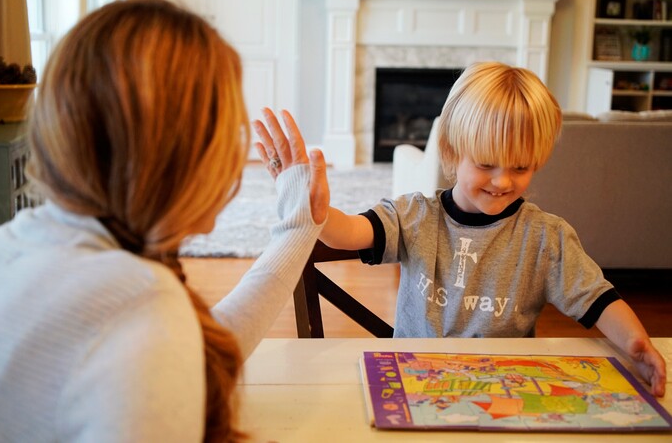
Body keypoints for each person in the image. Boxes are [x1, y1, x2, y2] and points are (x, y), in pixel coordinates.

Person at [0, 0, 328, 442]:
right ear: (179, 154)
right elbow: (161, 340)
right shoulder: (139, 303)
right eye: (226, 134)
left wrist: (299, 227)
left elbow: (195, 354)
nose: (233, 161)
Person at [254, 62, 666, 398]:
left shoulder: (546, 238)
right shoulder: (416, 215)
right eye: (486, 163)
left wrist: (635, 342)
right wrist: (318, 213)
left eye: (520, 167)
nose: (503, 181)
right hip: (414, 385)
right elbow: (351, 233)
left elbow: (597, 299)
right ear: (452, 152)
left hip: (504, 392)